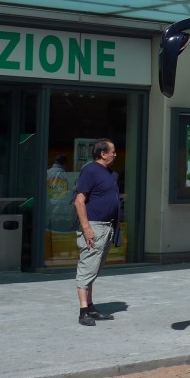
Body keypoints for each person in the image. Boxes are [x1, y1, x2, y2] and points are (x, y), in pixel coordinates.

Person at [71, 139, 121, 326]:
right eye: (112, 151)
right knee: (87, 268)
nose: (115, 154)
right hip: (94, 226)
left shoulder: (108, 172)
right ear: (103, 154)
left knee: (94, 268)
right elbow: (79, 201)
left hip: (107, 226)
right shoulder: (90, 170)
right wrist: (86, 229)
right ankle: (83, 311)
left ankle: (91, 307)